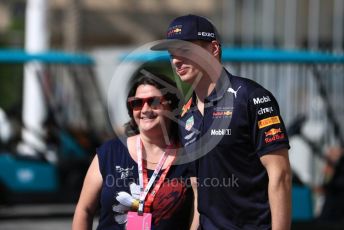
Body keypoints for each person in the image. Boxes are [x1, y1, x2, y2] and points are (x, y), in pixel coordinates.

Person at [152, 14, 292, 229]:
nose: (176, 60)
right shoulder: (185, 115)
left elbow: (280, 175)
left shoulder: (251, 97)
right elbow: (199, 190)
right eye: (172, 54)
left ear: (214, 49)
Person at [72, 74, 198, 230]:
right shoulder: (110, 152)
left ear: (172, 106)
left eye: (153, 101)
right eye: (137, 103)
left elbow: (199, 212)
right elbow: (84, 210)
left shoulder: (189, 156)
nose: (145, 109)